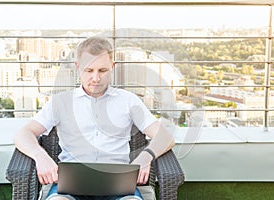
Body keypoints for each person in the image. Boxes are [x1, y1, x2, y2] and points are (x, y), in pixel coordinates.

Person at [14, 36, 175, 200]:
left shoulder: (128, 100)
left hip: (119, 187)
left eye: (102, 70)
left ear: (112, 67)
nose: (96, 78)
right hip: (69, 188)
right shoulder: (60, 102)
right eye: (89, 70)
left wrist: (145, 157)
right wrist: (40, 156)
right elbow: (23, 134)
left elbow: (166, 137)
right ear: (78, 67)